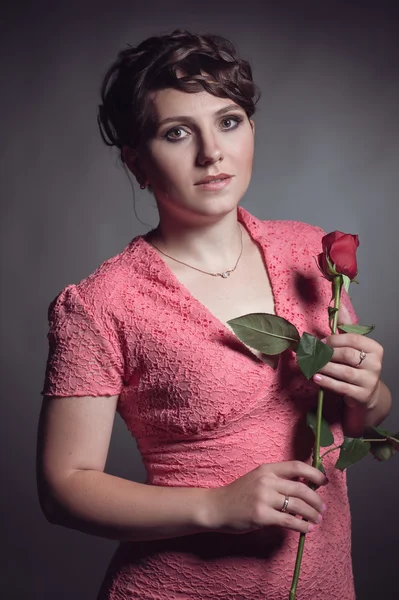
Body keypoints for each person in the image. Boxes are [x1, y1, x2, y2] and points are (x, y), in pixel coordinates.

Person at [37, 29, 392, 600]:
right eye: (177, 133)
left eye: (228, 121)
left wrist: (370, 391)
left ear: (251, 129)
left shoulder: (309, 253)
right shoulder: (100, 303)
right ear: (137, 163)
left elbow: (353, 422)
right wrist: (212, 505)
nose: (211, 152)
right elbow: (62, 489)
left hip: (324, 584)